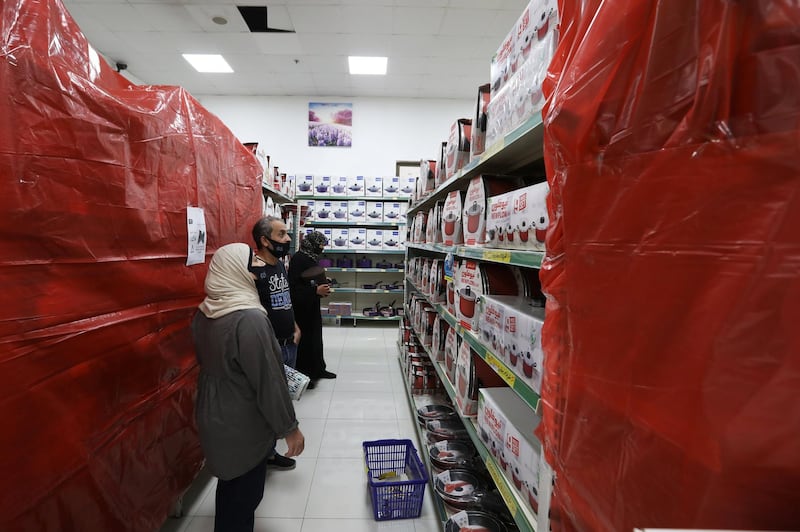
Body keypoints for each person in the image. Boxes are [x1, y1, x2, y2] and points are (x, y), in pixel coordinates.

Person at [192, 243, 305, 532]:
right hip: (242, 420)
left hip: (214, 413)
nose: (257, 268)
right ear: (235, 270)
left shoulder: (205, 312)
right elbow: (268, 381)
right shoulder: (250, 319)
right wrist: (289, 428)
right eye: (251, 262)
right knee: (244, 496)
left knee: (230, 487)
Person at [289, 231, 336, 388]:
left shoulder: (310, 257)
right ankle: (306, 375)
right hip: (302, 308)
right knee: (306, 341)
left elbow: (308, 277)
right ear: (312, 244)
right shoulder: (298, 259)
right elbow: (294, 288)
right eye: (320, 245)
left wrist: (322, 281)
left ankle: (318, 369)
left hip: (312, 305)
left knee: (316, 338)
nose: (322, 249)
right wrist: (315, 291)